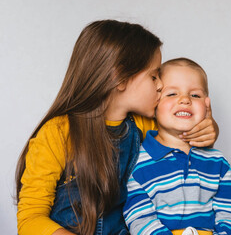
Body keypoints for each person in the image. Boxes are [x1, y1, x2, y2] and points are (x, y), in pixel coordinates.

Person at [15, 21, 218, 235]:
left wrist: (209, 128)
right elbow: (30, 218)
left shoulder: (144, 126)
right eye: (153, 76)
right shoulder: (57, 133)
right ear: (120, 78)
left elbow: (188, 143)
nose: (161, 85)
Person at [123, 58, 231, 235]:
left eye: (195, 95)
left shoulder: (218, 163)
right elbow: (140, 219)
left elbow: (228, 214)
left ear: (207, 106)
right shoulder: (137, 162)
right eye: (172, 94)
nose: (185, 100)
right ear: (154, 105)